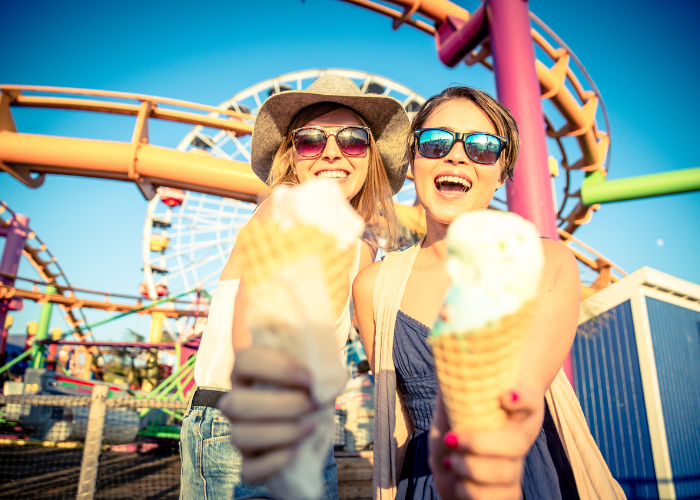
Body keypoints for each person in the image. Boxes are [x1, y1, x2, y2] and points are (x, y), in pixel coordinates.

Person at [353, 85, 624, 500]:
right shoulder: (374, 285)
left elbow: (518, 404)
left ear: (502, 173)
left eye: (482, 147)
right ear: (413, 162)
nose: (456, 155)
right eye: (435, 142)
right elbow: (399, 420)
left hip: (519, 476)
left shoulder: (545, 262)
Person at [181, 74, 410, 500]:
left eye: (353, 140)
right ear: (292, 153)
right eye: (310, 140)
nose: (331, 153)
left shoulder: (362, 249)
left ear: (370, 155)